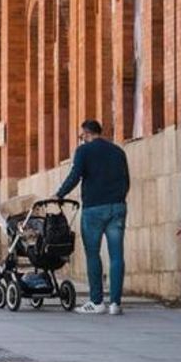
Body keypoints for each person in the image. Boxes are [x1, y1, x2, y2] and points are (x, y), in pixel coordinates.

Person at [55, 119, 130, 316]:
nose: (81, 140)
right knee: (117, 255)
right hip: (117, 207)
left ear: (87, 134)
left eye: (81, 137)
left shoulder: (84, 151)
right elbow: (126, 179)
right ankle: (115, 304)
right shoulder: (118, 151)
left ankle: (97, 302)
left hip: (94, 210)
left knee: (93, 254)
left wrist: (59, 195)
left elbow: (75, 176)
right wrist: (119, 199)